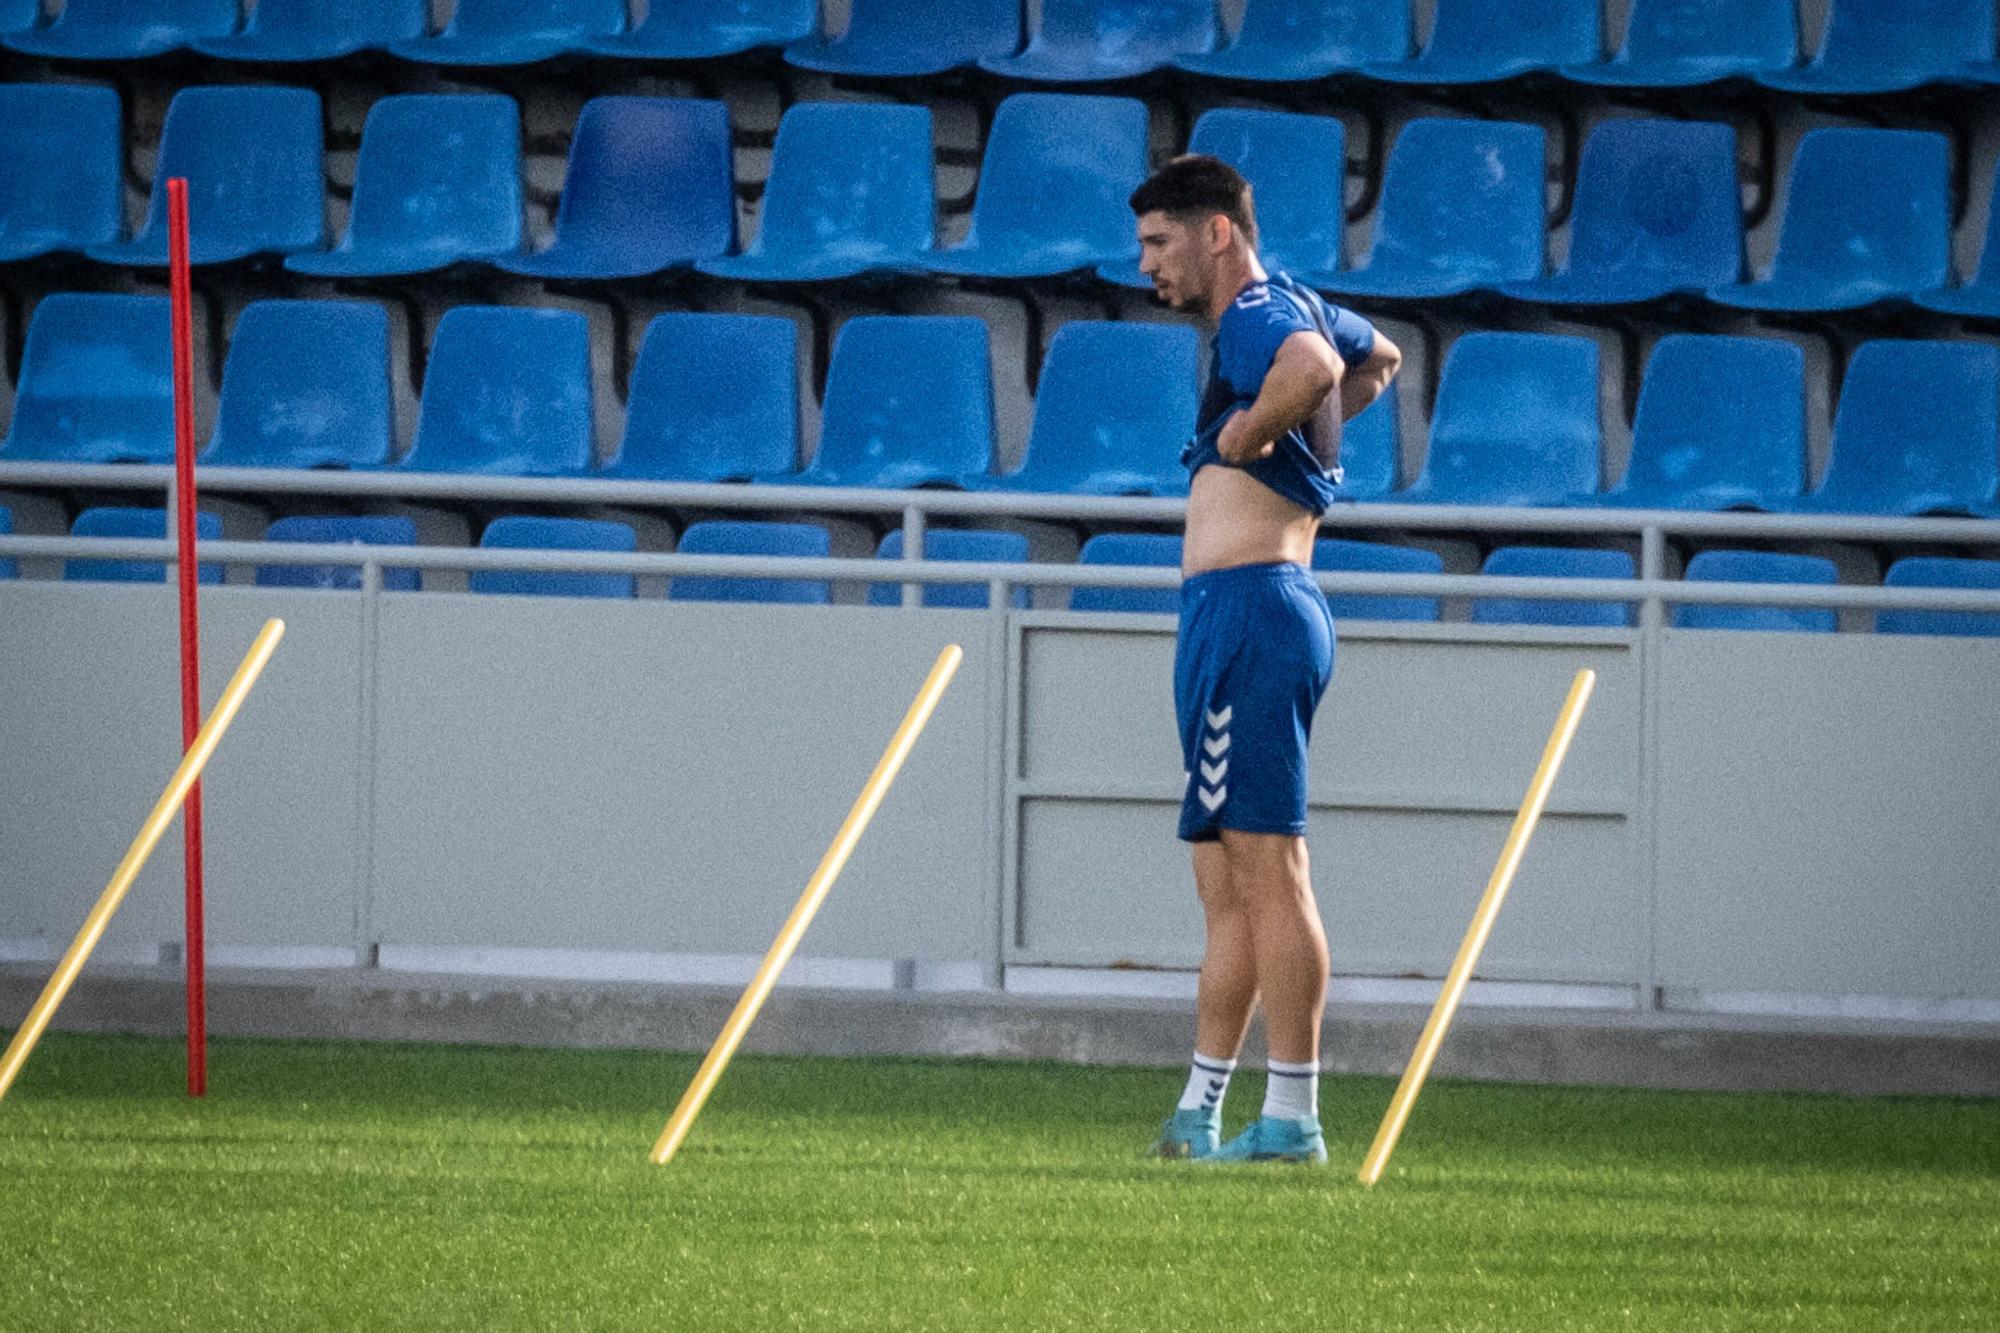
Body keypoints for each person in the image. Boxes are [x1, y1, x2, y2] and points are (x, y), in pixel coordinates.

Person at [1131, 156, 1401, 1164]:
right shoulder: (1296, 304)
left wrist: (1254, 428)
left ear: (1214, 233)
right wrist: (1301, 443)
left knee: (1270, 873)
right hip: (1240, 613)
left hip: (1249, 610)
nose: (1147, 266)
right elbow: (1378, 360)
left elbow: (1319, 371)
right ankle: (1200, 1108)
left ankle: (1291, 1115)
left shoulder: (1253, 310)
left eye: (1159, 243)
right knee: (1226, 882)